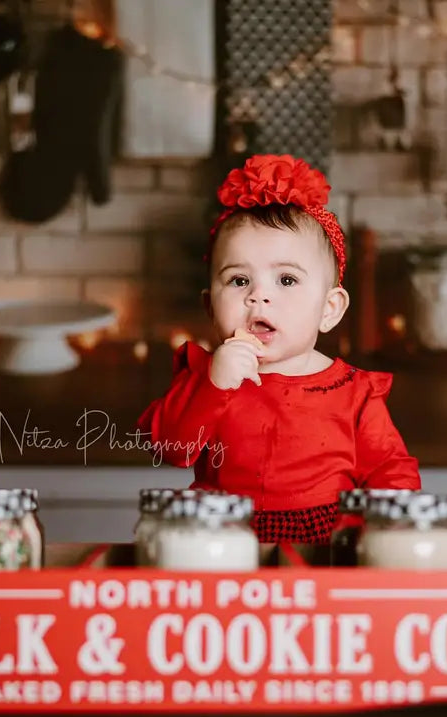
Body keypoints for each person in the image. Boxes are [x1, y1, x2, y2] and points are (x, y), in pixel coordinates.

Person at [137, 154, 420, 543]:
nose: (259, 296)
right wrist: (214, 384)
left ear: (329, 309)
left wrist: (390, 530)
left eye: (286, 280)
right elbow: (172, 448)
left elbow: (390, 469)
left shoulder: (354, 393)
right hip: (222, 535)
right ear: (209, 306)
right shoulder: (207, 376)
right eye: (238, 281)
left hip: (323, 540)